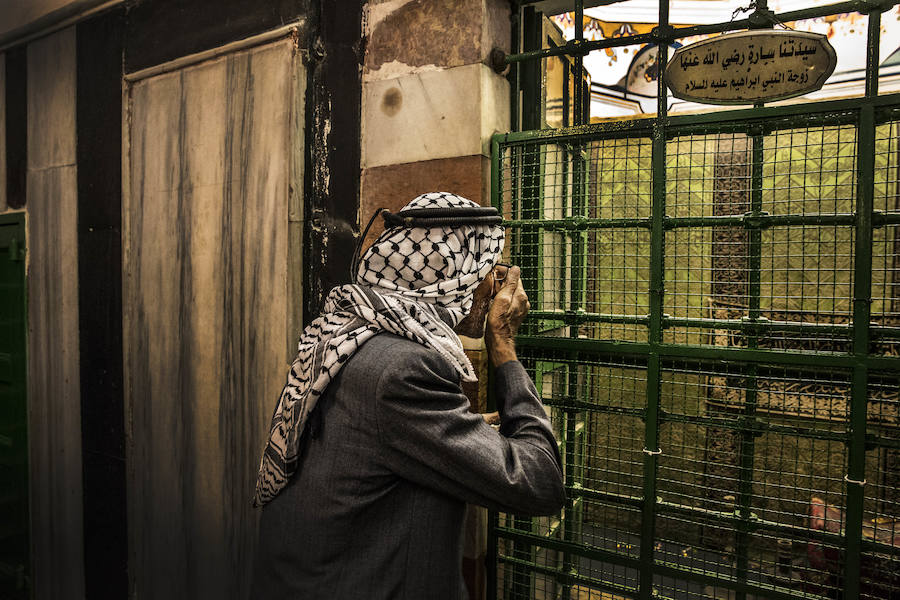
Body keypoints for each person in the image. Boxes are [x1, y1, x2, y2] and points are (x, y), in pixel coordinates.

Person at [251, 192, 565, 599]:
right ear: (453, 280)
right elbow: (539, 482)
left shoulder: (352, 333)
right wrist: (502, 342)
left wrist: (460, 429)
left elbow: (373, 437)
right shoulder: (407, 371)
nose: (497, 283)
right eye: (489, 268)